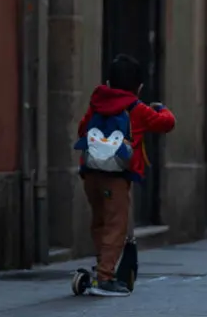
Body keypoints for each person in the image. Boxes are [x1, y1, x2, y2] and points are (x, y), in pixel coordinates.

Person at [74, 54, 175, 297]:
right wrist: (161, 108)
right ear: (139, 87)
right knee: (115, 225)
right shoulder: (137, 109)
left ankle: (101, 265)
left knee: (99, 221)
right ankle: (105, 277)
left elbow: (82, 129)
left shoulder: (96, 103)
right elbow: (166, 123)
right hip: (116, 177)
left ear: (109, 83)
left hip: (90, 174)